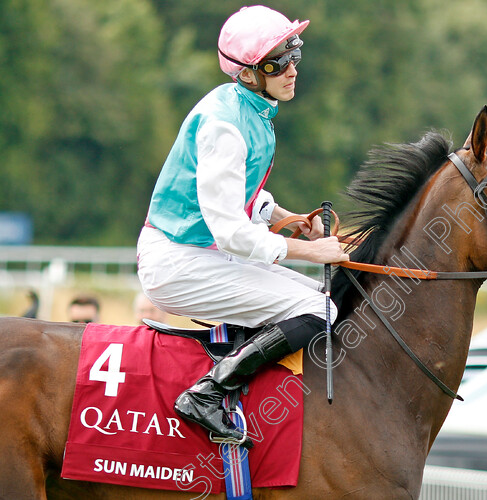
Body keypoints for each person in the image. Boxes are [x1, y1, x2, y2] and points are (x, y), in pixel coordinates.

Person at [137, 5, 349, 445]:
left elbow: (239, 190)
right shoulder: (226, 125)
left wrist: (283, 217)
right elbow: (229, 230)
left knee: (318, 298)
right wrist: (313, 251)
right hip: (179, 261)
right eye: (279, 62)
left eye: (294, 53)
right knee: (320, 311)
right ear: (250, 73)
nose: (292, 69)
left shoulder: (247, 106)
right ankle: (206, 393)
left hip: (201, 252)